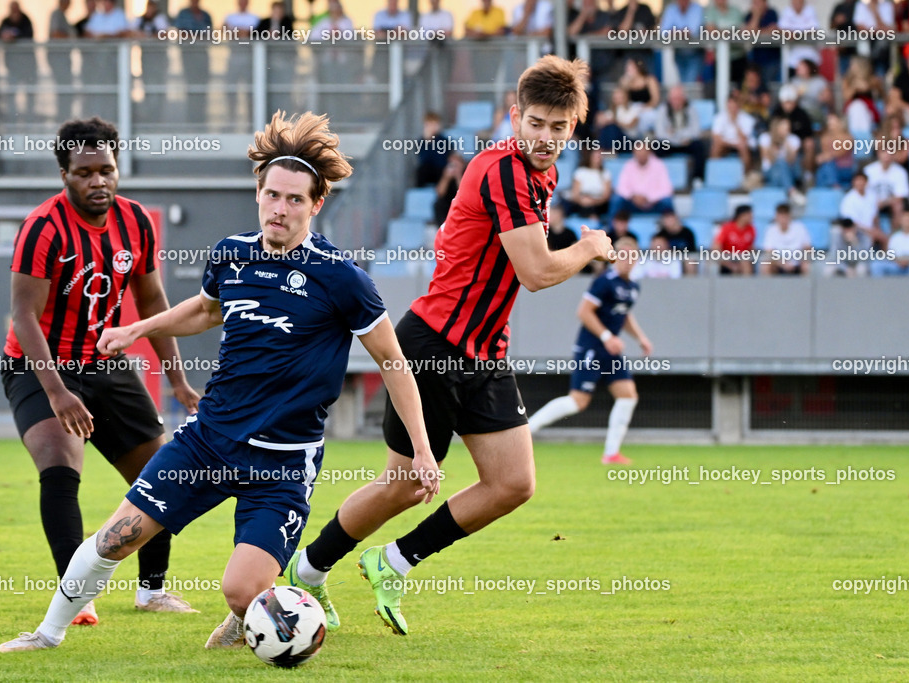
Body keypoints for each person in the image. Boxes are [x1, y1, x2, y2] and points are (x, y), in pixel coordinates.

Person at [0, 111, 437, 653]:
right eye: (273, 194)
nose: (281, 208)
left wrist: (420, 448)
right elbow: (205, 310)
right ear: (258, 192)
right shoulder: (233, 253)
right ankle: (47, 634)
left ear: (317, 205)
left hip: (282, 459)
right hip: (208, 440)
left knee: (241, 589)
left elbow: (393, 362)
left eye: (295, 199)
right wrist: (137, 328)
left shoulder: (344, 279)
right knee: (114, 539)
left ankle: (257, 615)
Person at [285, 56, 614, 637]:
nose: (544, 137)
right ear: (515, 116)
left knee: (513, 484)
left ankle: (392, 561)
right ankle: (307, 571)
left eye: (557, 128)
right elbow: (536, 273)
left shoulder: (542, 174)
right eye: (534, 123)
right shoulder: (505, 171)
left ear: (573, 128)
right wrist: (590, 247)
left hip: (485, 354)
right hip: (435, 345)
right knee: (406, 484)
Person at [0, 118, 201, 629]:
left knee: (162, 473)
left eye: (106, 169)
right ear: (64, 174)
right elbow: (24, 316)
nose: (98, 181)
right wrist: (58, 392)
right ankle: (77, 594)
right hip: (37, 366)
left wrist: (176, 379)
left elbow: (153, 301)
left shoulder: (135, 222)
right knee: (61, 468)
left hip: (104, 362)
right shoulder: (42, 227)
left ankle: (152, 591)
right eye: (84, 172)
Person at [528, 235, 650, 465]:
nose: (628, 261)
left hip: (610, 351)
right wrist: (606, 336)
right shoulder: (605, 281)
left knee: (628, 396)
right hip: (592, 348)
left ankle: (611, 454)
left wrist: (641, 338)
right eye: (623, 256)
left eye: (632, 257)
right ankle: (527, 431)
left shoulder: (632, 286)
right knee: (578, 401)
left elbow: (623, 316)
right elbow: (584, 312)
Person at [608, 142, 675, 218]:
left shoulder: (659, 165)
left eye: (643, 151)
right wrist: (633, 197)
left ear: (649, 151)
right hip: (633, 204)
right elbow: (621, 187)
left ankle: (672, 229)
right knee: (616, 200)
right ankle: (611, 229)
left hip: (653, 204)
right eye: (638, 152)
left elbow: (667, 189)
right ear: (634, 152)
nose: (640, 154)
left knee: (667, 201)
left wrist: (648, 198)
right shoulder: (629, 165)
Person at [0, 2, 36, 121]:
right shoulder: (5, 21)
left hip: (27, 65)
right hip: (12, 65)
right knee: (12, 92)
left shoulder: (26, 20)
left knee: (29, 92)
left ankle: (29, 117)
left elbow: (29, 35)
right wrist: (4, 36)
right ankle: (12, 117)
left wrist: (14, 38)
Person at [175, 0, 213, 125]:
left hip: (202, 56)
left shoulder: (206, 15)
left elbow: (210, 35)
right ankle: (191, 119)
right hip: (188, 56)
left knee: (203, 86)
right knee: (190, 86)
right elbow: (181, 33)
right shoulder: (183, 14)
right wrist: (197, 37)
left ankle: (202, 118)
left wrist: (195, 37)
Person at [761, 203, 812, 275]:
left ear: (789, 216)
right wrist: (782, 263)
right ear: (776, 217)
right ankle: (768, 286)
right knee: (765, 264)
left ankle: (806, 285)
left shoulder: (800, 227)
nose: (783, 220)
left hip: (797, 262)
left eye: (785, 216)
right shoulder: (771, 229)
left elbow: (807, 248)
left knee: (807, 265)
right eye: (781, 216)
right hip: (778, 264)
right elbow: (769, 252)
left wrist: (799, 259)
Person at [47, 0, 76, 119]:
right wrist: (72, 38)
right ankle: (63, 115)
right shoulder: (57, 14)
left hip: (63, 58)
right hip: (58, 58)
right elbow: (56, 34)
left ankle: (64, 114)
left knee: (66, 87)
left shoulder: (62, 15)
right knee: (63, 87)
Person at [713, 204, 757, 275]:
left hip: (742, 258)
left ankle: (747, 285)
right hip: (727, 258)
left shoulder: (751, 229)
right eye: (749, 215)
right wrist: (729, 264)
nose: (752, 217)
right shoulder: (727, 228)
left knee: (746, 264)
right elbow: (716, 247)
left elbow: (750, 248)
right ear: (741, 216)